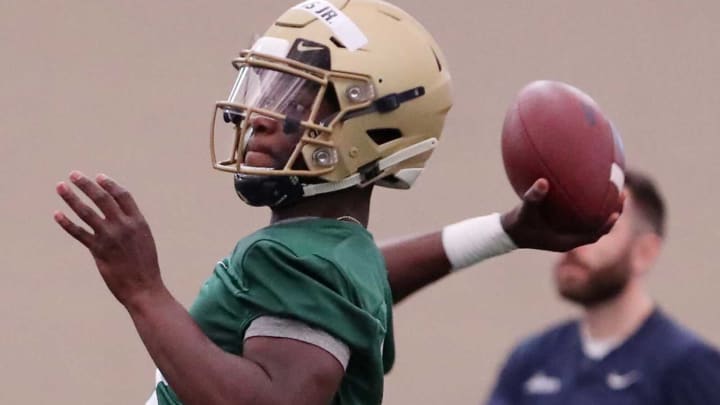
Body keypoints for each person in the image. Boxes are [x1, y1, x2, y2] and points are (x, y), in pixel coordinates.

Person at [53, 1, 619, 404]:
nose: (262, 115)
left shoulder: (297, 258)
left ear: (373, 130)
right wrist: (504, 232)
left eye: (299, 98)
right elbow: (358, 284)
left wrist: (143, 291)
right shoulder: (334, 250)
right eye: (268, 88)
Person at [485, 169, 720, 404]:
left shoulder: (689, 367)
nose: (573, 244)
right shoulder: (530, 360)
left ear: (644, 253)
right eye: (568, 225)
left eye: (598, 230)